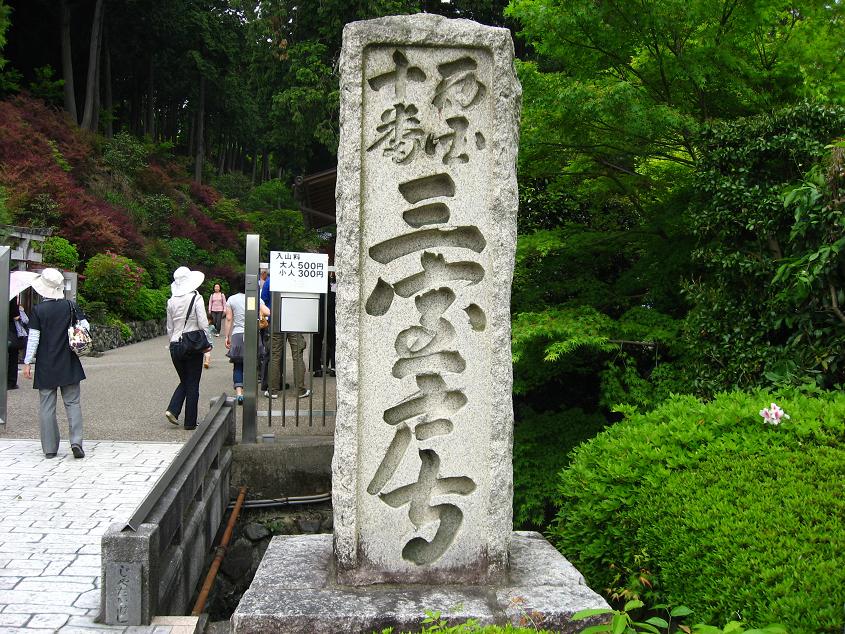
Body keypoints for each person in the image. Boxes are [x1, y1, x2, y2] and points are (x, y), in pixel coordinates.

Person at [22, 268, 88, 459]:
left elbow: (34, 338)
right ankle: (76, 442)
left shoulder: (38, 310)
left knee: (47, 406)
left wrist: (27, 361)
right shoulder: (70, 306)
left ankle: (50, 448)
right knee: (73, 403)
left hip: (46, 363)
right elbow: (85, 326)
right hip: (69, 361)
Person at [165, 266, 210, 430]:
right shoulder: (196, 298)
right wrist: (208, 343)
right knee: (192, 383)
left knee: (185, 380)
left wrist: (173, 343)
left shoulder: (171, 301)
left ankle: (173, 410)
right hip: (192, 344)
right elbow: (203, 322)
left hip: (175, 345)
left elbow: (169, 328)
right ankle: (190, 422)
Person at [260, 272, 310, 399]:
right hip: (294, 320)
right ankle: (300, 390)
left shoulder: (270, 281)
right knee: (297, 355)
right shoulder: (297, 279)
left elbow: (264, 300)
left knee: (275, 355)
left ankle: (273, 390)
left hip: (276, 319)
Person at [224, 285, 269, 404]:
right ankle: (250, 392)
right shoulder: (255, 298)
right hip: (253, 334)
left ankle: (239, 394)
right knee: (253, 364)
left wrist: (227, 336)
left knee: (238, 365)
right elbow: (267, 312)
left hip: (238, 334)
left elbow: (228, 318)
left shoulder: (232, 299)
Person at [7, 298, 22, 389]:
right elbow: (16, 316)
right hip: (10, 328)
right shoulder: (11, 296)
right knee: (12, 355)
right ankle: (11, 382)